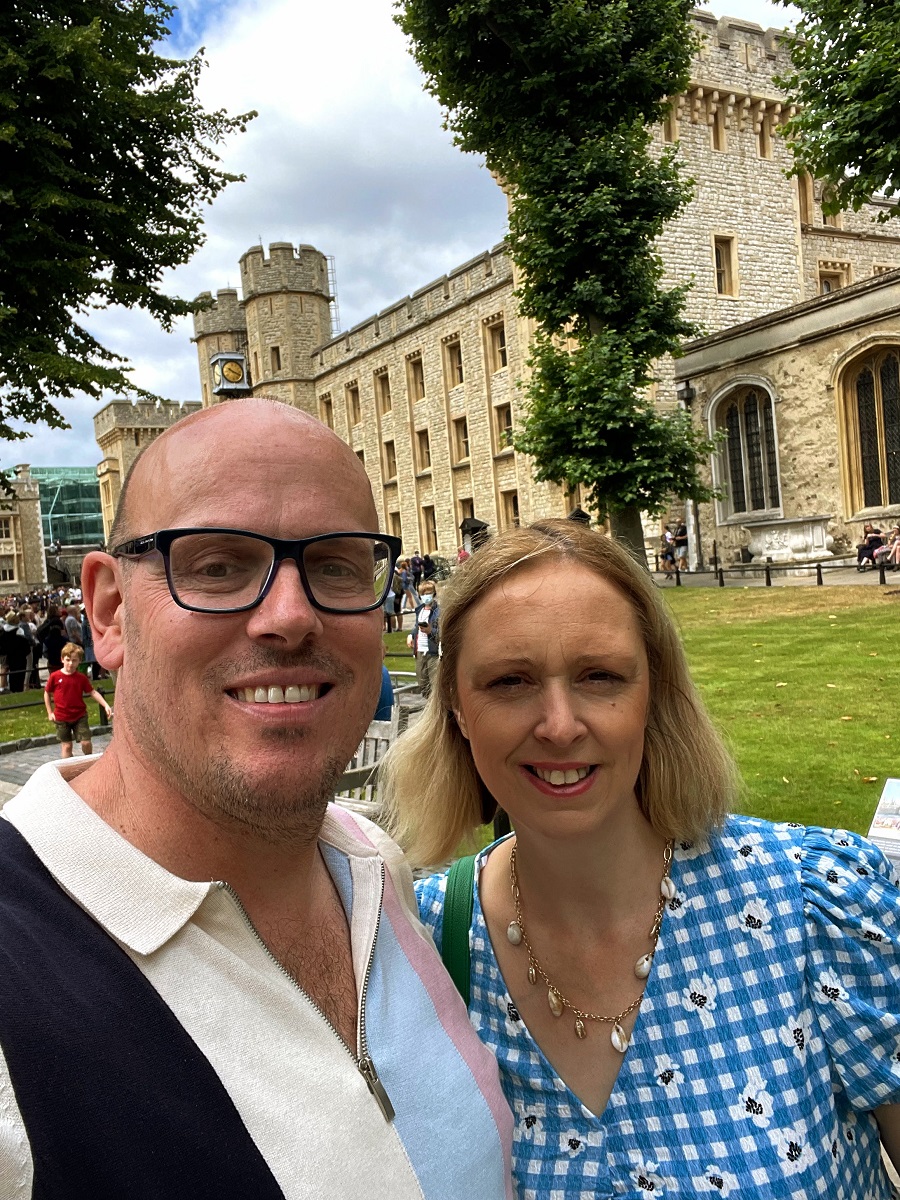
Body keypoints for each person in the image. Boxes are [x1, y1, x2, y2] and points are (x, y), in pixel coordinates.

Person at [0, 399, 511, 1197]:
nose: (289, 615)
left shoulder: (374, 868)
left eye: (337, 564)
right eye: (216, 565)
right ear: (109, 612)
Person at [381, 518, 900, 1199]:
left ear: (653, 691)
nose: (561, 725)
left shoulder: (811, 906)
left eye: (600, 676)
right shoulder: (420, 954)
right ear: (455, 707)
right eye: (511, 681)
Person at [44, 642, 112, 758]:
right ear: (62, 659)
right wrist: (50, 712)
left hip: (79, 715)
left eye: (74, 660)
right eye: (68, 659)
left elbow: (92, 692)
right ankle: (68, 770)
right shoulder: (55, 676)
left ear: (79, 661)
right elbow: (47, 692)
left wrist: (105, 705)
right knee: (67, 746)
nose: (70, 663)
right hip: (61, 716)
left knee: (86, 742)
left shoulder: (81, 678)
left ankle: (88, 761)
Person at [413, 581, 439, 699]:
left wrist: (430, 631)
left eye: (429, 593)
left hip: (432, 652)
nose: (426, 596)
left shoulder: (438, 612)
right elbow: (416, 628)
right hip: (420, 650)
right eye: (423, 594)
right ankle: (428, 704)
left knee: (434, 684)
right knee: (422, 682)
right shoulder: (420, 610)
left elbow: (442, 634)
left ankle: (434, 709)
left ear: (434, 594)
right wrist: (411, 635)